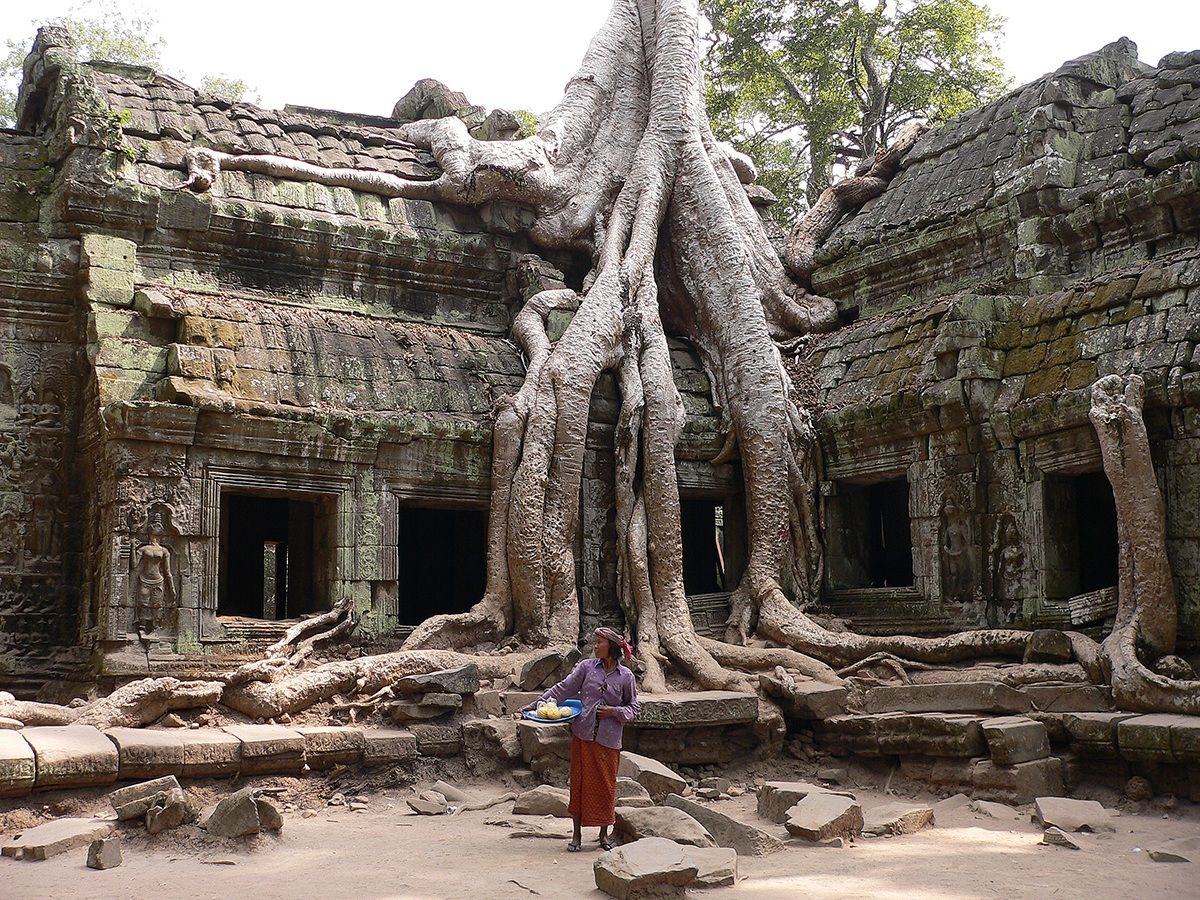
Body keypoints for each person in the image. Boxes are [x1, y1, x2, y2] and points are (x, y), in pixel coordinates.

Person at [523, 627, 640, 852]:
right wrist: (536, 703)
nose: (595, 646)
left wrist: (614, 712)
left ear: (612, 647)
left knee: (606, 786)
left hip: (609, 739)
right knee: (579, 784)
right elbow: (563, 688)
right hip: (583, 735)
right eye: (595, 642)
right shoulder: (586, 668)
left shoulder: (626, 677)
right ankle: (576, 835)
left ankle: (603, 835)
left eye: (599, 643)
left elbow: (634, 708)